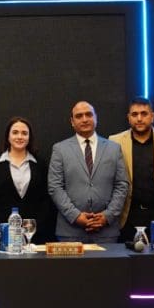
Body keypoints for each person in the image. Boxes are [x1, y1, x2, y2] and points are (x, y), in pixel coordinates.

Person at [47, 101, 129, 244]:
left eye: (89, 114)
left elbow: (122, 185)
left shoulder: (114, 149)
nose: (84, 119)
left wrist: (107, 216)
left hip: (106, 231)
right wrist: (76, 216)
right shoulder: (60, 149)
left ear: (96, 118)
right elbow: (55, 187)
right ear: (72, 122)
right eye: (79, 116)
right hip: (70, 231)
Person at [109, 97, 154, 243]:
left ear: (152, 116)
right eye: (134, 114)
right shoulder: (115, 141)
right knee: (128, 257)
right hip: (127, 216)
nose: (139, 118)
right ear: (128, 118)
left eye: (144, 114)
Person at [0, 116, 53, 243]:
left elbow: (46, 198)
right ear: (8, 136)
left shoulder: (40, 164)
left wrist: (35, 225)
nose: (20, 137)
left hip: (34, 234)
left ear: (29, 137)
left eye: (24, 133)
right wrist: (8, 227)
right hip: (3, 233)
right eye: (15, 132)